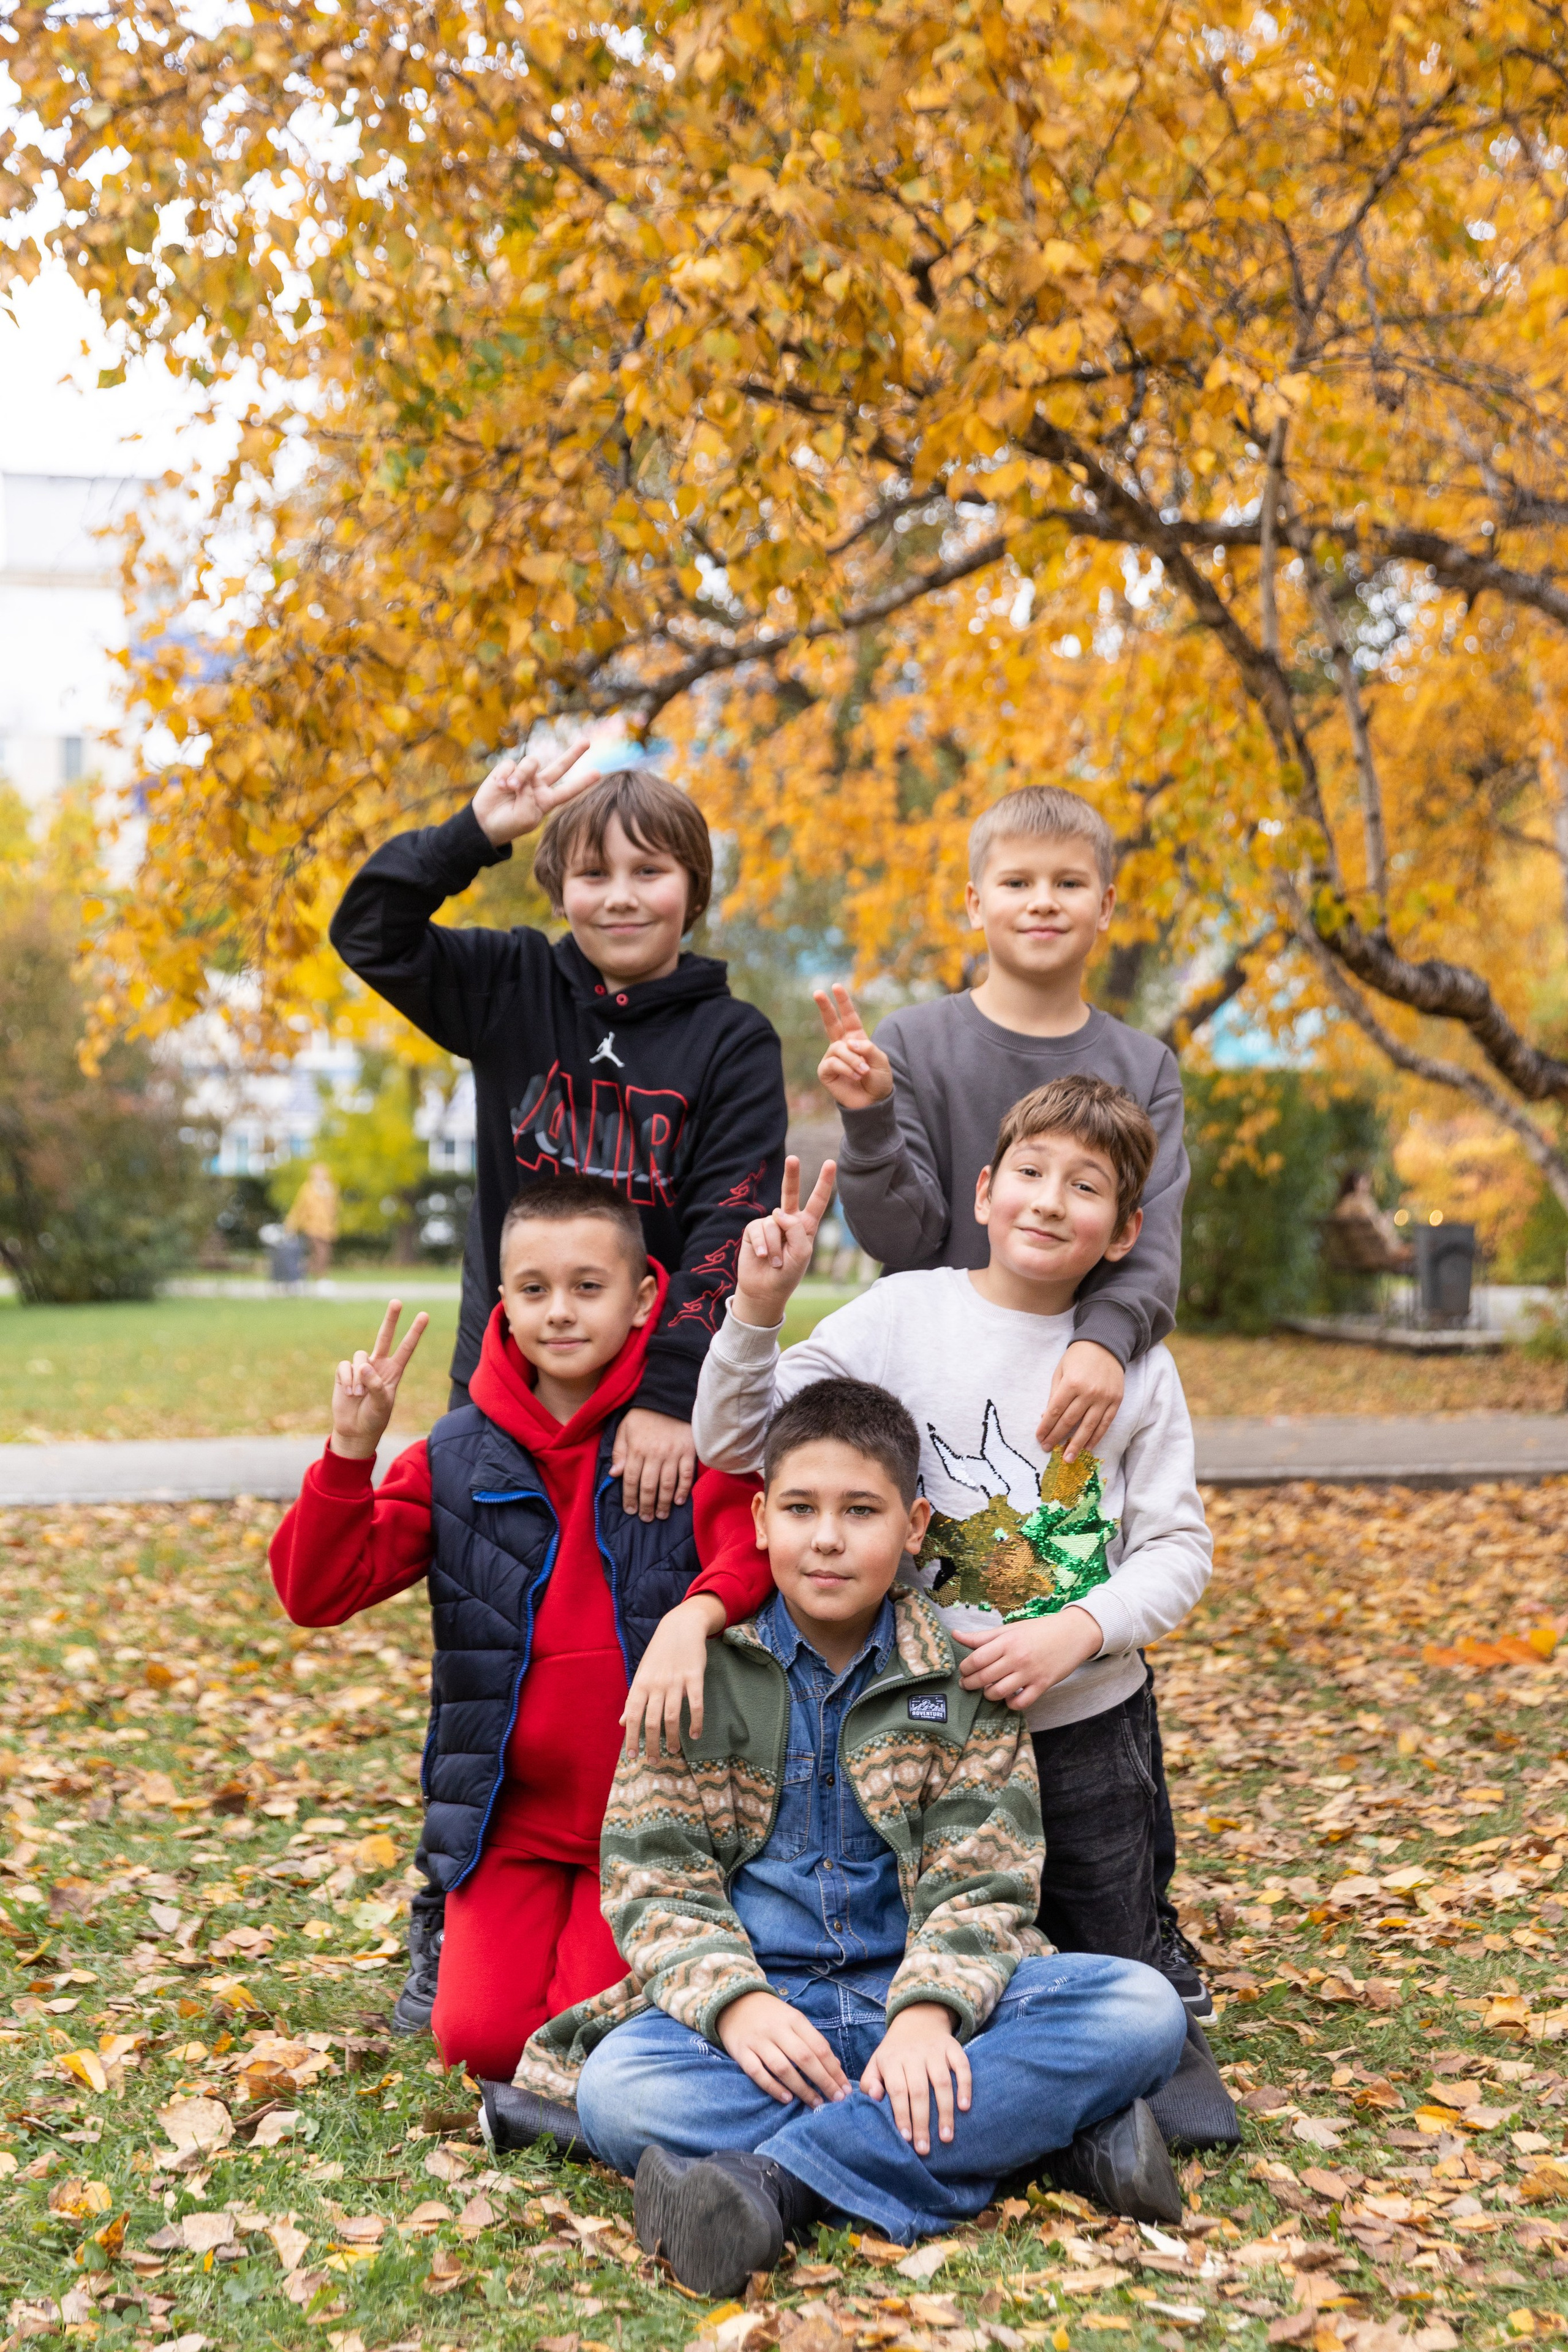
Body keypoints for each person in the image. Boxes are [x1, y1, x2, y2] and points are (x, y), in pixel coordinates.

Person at [499, 1377, 1188, 2297]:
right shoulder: (698, 1678)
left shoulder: (963, 1685)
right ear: (759, 1519)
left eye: (860, 1511)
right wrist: (738, 2007)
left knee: (1138, 2008)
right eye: (801, 1509)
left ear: (913, 1526)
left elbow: (983, 1885)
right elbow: (653, 1879)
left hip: (934, 2008)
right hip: (765, 2020)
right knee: (623, 2090)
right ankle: (1046, 2145)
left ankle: (774, 2185)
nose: (826, 1538)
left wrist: (928, 2014)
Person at [329, 742, 788, 2025]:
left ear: (691, 889)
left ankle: (674, 1874)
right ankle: (451, 1898)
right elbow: (368, 926)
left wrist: (674, 1397)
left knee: (650, 1629)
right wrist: (472, 826)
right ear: (556, 886)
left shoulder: (730, 1041)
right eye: (591, 872)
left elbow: (725, 1220)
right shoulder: (509, 988)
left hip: (648, 1409)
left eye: (649, 872)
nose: (619, 896)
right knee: (488, 1638)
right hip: (508, 1395)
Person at [692, 1079, 1230, 2141]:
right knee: (935, 1949)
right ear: (984, 1191)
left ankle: (1096, 2097)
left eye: (1085, 1188)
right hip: (919, 1732)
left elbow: (1179, 1549)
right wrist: (757, 1310)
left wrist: (1078, 1631)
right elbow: (733, 1440)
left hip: (1083, 1726)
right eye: (1029, 1174)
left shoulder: (1138, 1368)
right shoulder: (905, 1316)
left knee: (1119, 1977)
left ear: (1124, 1231)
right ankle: (921, 2089)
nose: (1047, 1200)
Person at [813, 785, 1205, 2011]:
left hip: (1074, 1381)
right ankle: (927, 1932)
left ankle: (1135, 1914)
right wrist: (870, 1116)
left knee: (1078, 1594)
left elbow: (1152, 1238)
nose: (1041, 902)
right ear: (972, 900)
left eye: (1066, 884)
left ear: (1101, 906)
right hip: (944, 1369)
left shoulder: (1138, 1062)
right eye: (1017, 882)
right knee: (943, 1639)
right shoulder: (920, 1043)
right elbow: (905, 1229)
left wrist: (1103, 1340)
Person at [267, 1173, 777, 2087]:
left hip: (646, 1823)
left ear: (643, 1299)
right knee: (481, 2045)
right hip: (508, 1822)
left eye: (589, 1287)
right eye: (533, 1289)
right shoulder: (457, 1455)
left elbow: (753, 1546)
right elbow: (317, 1590)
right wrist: (351, 1450)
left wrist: (697, 1612)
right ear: (501, 1299)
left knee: (593, 2044)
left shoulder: (673, 1436)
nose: (560, 1312)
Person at [284, 1162, 339, 1280]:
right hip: (312, 1227)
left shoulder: (331, 1189)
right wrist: (291, 1224)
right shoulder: (308, 1189)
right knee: (321, 1253)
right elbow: (299, 1208)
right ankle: (320, 1278)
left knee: (324, 1254)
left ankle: (299, 1270)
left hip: (327, 1229)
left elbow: (333, 1212)